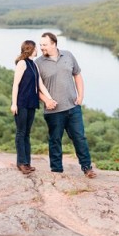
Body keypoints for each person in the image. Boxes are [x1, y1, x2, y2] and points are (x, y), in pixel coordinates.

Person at [36, 32, 96, 178]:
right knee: (55, 140)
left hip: (73, 107)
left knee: (79, 138)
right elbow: (35, 88)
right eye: (40, 44)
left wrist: (81, 96)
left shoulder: (68, 55)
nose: (41, 47)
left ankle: (87, 167)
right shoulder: (38, 63)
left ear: (53, 44)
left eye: (44, 44)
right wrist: (47, 100)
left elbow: (77, 75)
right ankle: (57, 171)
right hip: (54, 111)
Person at [10, 40, 56, 174]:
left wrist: (50, 99)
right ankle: (21, 163)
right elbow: (15, 85)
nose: (38, 50)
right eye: (36, 48)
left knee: (27, 134)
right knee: (21, 132)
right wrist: (14, 103)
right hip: (21, 103)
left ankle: (27, 163)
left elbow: (40, 84)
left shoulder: (34, 65)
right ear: (30, 49)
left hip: (31, 103)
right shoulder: (22, 63)